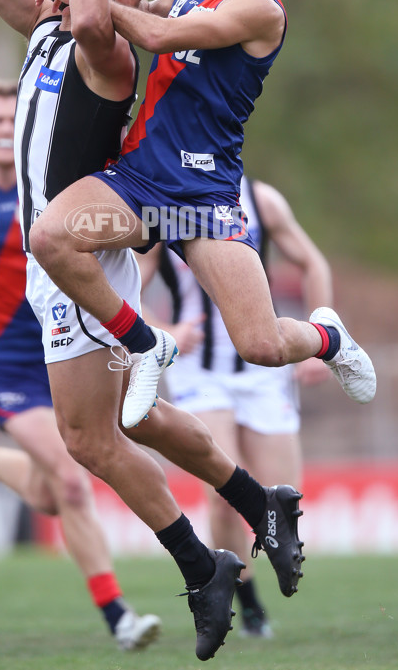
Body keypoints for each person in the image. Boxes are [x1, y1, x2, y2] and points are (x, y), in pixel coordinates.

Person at [0, 0, 305, 662]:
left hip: (78, 252)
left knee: (110, 431)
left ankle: (209, 550)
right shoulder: (45, 29)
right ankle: (249, 520)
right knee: (116, 430)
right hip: (57, 265)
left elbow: (98, 19)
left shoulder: (102, 44)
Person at [29, 0, 377, 435]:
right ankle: (146, 345)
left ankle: (328, 336)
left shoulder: (261, 7)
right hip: (141, 186)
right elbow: (140, 23)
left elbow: (159, 36)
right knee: (50, 237)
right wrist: (131, 1)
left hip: (202, 200)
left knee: (262, 345)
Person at [0, 80, 162, 651]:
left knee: (50, 493)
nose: (2, 128)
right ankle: (119, 616)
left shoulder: (54, 194)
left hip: (65, 354)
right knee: (71, 483)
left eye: (10, 119)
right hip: (8, 367)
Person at [137, 175, 334, 637]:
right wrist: (164, 330)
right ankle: (247, 604)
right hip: (199, 373)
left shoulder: (263, 201)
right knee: (223, 499)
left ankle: (252, 583)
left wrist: (323, 336)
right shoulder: (163, 202)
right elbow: (127, 291)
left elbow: (313, 263)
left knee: (283, 498)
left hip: (264, 371)